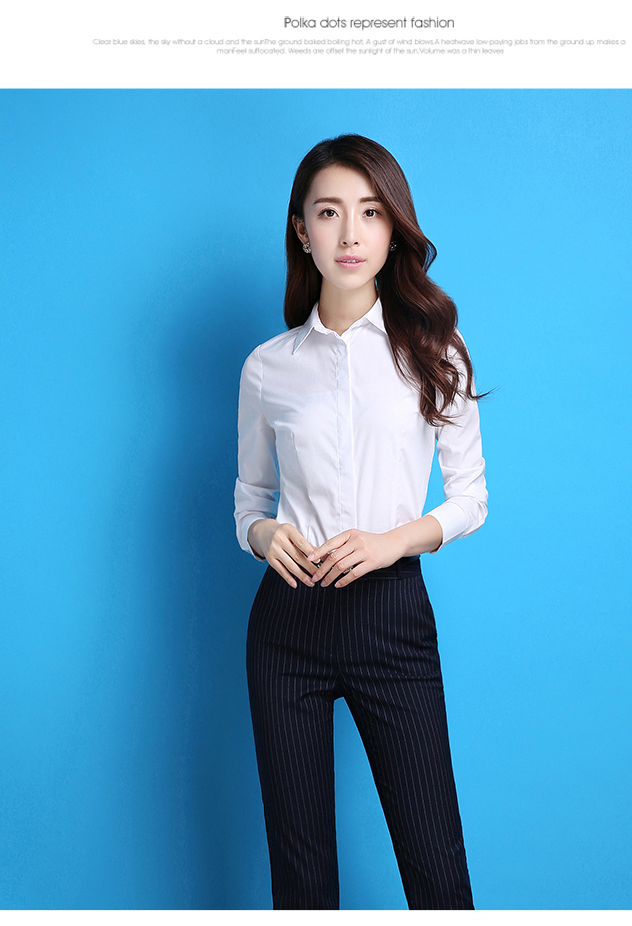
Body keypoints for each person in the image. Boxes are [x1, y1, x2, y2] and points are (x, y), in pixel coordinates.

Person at [234, 134, 488, 910]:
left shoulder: (437, 352)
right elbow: (249, 499)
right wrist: (263, 535)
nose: (350, 234)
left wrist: (392, 542)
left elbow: (471, 498)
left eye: (371, 213)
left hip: (392, 618)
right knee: (302, 879)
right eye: (329, 212)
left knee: (436, 869)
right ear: (300, 230)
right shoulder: (268, 367)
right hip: (287, 624)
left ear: (393, 228)